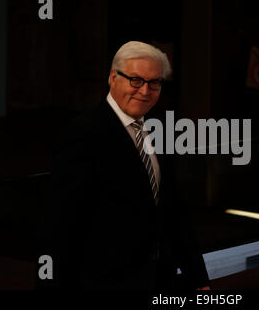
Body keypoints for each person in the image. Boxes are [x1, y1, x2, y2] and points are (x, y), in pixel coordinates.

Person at [37, 41, 210, 290]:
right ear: (113, 77)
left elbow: (175, 213)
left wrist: (199, 280)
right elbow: (58, 227)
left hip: (160, 280)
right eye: (136, 80)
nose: (145, 91)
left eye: (154, 83)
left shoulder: (160, 127)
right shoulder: (82, 134)